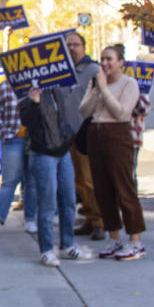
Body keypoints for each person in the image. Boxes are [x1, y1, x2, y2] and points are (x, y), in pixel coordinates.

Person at [78, 45, 147, 261]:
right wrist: (97, 89)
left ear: (120, 62)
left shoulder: (129, 84)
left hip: (117, 135)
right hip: (95, 134)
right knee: (103, 190)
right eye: (102, 59)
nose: (105, 63)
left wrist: (105, 90)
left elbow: (121, 112)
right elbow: (83, 111)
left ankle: (136, 242)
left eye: (110, 59)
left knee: (123, 188)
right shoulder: (96, 83)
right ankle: (114, 238)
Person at [19, 85, 93, 267]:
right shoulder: (27, 91)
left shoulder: (58, 89)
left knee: (68, 200)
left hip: (63, 151)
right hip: (43, 153)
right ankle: (46, 250)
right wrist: (33, 103)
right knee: (47, 203)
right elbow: (25, 120)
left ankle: (67, 245)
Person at [0, 78, 38, 236]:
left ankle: (30, 219)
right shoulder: (5, 86)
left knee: (31, 181)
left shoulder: (38, 86)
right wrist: (5, 133)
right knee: (10, 180)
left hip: (34, 138)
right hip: (13, 138)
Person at [63, 32, 106, 241]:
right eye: (68, 45)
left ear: (84, 46)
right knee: (78, 182)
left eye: (75, 44)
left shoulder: (94, 70)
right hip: (67, 133)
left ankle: (100, 222)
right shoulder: (62, 71)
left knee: (91, 181)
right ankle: (89, 218)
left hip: (87, 134)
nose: (72, 48)